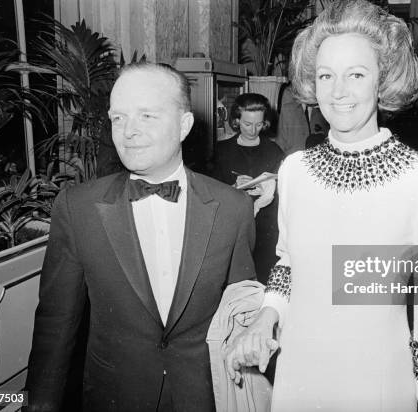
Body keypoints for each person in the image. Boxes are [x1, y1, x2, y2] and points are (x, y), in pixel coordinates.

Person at [225, 1, 418, 410]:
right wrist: (268, 315)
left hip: (377, 375)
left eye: (356, 74)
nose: (339, 91)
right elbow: (288, 263)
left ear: (382, 81)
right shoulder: (295, 170)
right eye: (326, 75)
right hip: (300, 369)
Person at [24, 62, 256, 411]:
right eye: (118, 118)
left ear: (184, 125)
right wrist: (37, 405)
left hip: (202, 396)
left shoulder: (233, 208)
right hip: (112, 396)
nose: (128, 131)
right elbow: (56, 323)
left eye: (147, 116)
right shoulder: (79, 207)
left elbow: (242, 314)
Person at [212, 93, 285, 284]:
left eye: (259, 125)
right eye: (247, 124)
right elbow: (209, 194)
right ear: (236, 121)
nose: (253, 130)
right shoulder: (222, 151)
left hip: (265, 230)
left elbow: (285, 195)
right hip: (233, 228)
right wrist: (233, 187)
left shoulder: (274, 151)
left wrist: (270, 189)